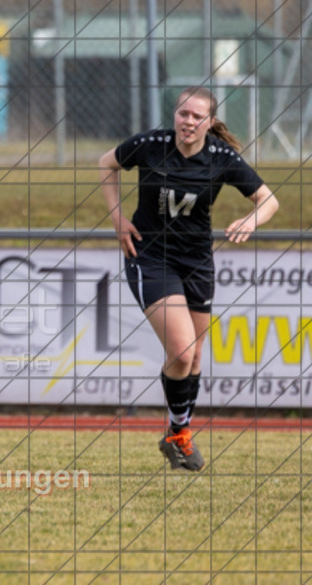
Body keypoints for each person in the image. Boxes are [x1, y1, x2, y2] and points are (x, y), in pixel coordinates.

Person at [99, 86, 278, 471]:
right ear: (175, 115)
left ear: (210, 122)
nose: (189, 121)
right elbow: (105, 164)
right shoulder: (150, 145)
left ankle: (178, 434)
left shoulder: (221, 158)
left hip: (197, 261)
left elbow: (269, 200)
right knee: (181, 352)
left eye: (198, 116)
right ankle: (178, 433)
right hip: (150, 256)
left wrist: (250, 219)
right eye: (183, 114)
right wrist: (117, 219)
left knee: (194, 357)